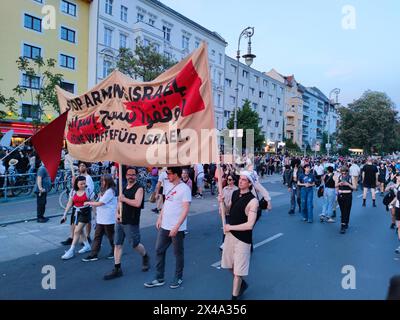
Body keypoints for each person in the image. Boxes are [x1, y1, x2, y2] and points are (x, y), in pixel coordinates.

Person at [144, 167, 191, 289]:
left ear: (176, 174)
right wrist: (160, 217)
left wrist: (177, 226)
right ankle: (159, 277)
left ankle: (178, 277)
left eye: (169, 173)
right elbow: (166, 203)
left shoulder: (185, 189)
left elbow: (186, 209)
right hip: (165, 225)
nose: (167, 176)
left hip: (177, 228)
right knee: (159, 249)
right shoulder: (168, 186)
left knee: (177, 253)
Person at [103, 167, 150, 280]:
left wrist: (124, 199)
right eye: (129, 174)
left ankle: (145, 256)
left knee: (134, 244)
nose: (131, 176)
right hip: (120, 221)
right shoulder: (122, 187)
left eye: (133, 174)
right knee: (117, 244)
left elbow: (137, 203)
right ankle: (117, 268)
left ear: (136, 176)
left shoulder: (139, 188)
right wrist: (117, 214)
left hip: (131, 221)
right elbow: (119, 204)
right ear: (126, 176)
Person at [219, 171, 259, 300]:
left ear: (249, 183)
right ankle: (242, 284)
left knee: (238, 272)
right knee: (229, 265)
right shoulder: (235, 193)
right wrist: (222, 203)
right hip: (230, 236)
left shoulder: (253, 201)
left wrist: (230, 227)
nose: (240, 181)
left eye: (244, 180)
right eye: (240, 179)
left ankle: (234, 298)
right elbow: (228, 211)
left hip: (243, 240)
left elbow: (249, 225)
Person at [82, 174, 117, 262]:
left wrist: (89, 203)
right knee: (97, 236)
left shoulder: (110, 191)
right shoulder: (104, 190)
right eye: (101, 180)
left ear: (108, 181)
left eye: (103, 180)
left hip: (108, 218)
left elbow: (100, 203)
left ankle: (115, 250)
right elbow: (98, 201)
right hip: (101, 218)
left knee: (110, 236)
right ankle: (94, 254)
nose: (102, 182)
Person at [61, 176, 93, 259]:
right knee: (80, 230)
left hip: (85, 212)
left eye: (84, 183)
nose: (83, 185)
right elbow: (69, 203)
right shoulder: (73, 191)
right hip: (75, 212)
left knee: (76, 231)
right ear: (77, 184)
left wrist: (95, 215)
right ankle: (87, 246)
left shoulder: (88, 190)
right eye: (81, 184)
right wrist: (64, 214)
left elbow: (93, 203)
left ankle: (71, 250)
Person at [336, 166, 356, 234]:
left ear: (347, 172)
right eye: (342, 173)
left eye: (345, 173)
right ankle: (343, 223)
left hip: (348, 195)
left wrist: (348, 184)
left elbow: (355, 187)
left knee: (347, 210)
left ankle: (344, 224)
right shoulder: (339, 177)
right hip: (340, 195)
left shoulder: (351, 177)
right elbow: (335, 185)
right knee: (342, 211)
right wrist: (339, 184)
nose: (343, 174)